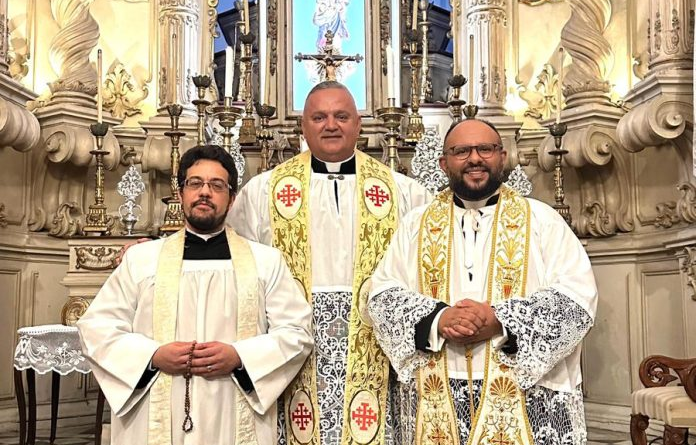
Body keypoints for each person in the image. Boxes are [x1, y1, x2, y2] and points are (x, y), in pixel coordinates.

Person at [367, 119, 598, 445]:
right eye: (461, 151)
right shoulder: (415, 223)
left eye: (485, 149)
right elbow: (382, 295)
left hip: (522, 387)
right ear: (444, 163)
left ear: (502, 157)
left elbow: (576, 296)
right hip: (438, 383)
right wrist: (439, 319)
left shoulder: (542, 218)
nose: (475, 158)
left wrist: (500, 322)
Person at [229, 81, 431, 445]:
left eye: (341, 116)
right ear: (303, 127)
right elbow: (234, 259)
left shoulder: (404, 192)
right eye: (319, 117)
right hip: (293, 338)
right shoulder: (263, 191)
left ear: (359, 125)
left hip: (373, 339)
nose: (330, 125)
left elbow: (429, 264)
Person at [77, 145, 314, 445]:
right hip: (156, 410)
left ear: (232, 198)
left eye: (217, 185)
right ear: (180, 193)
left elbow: (296, 333)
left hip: (233, 406)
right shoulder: (142, 259)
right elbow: (96, 329)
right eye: (195, 183)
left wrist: (240, 357)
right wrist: (153, 356)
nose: (205, 192)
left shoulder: (266, 262)